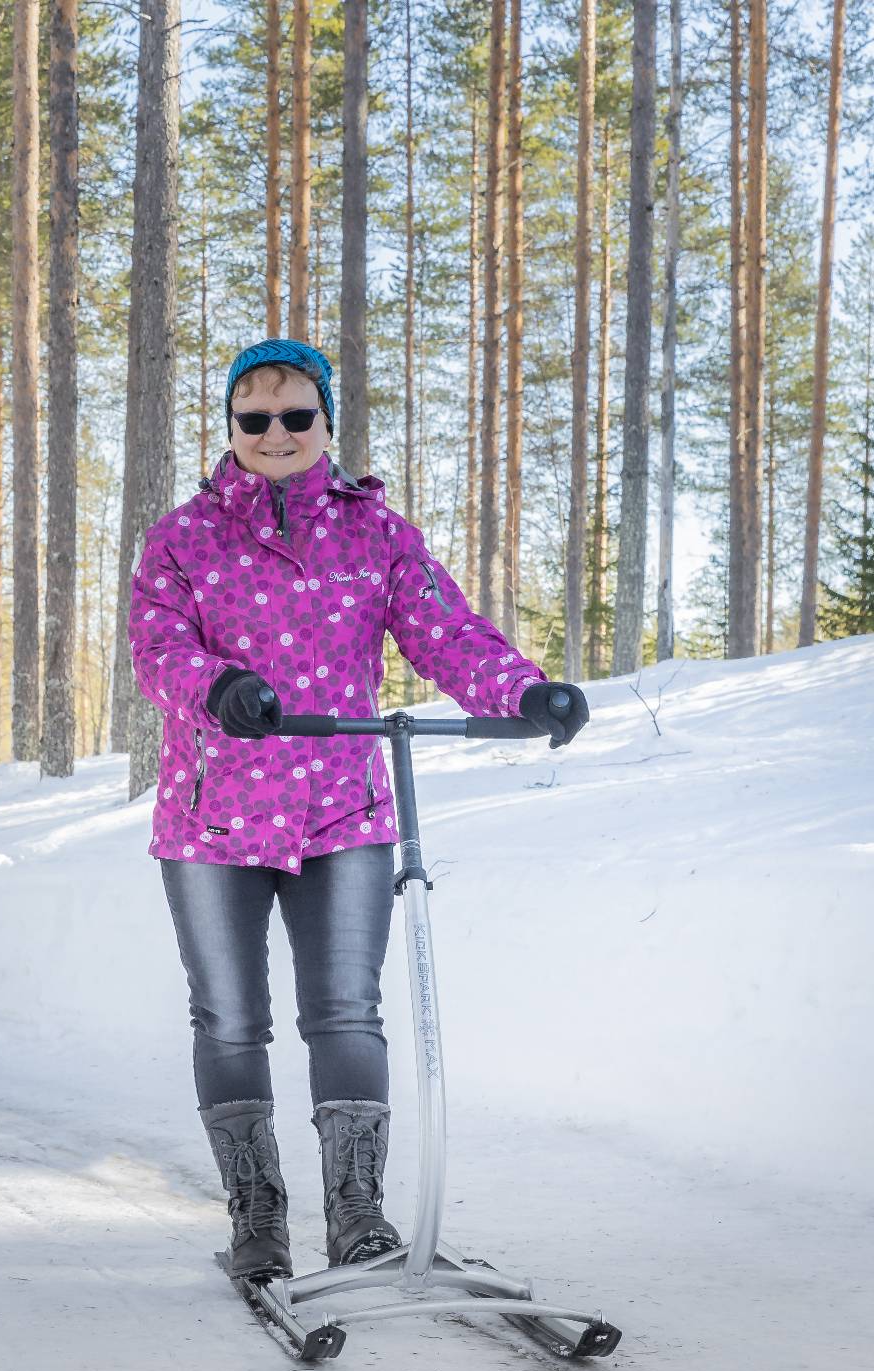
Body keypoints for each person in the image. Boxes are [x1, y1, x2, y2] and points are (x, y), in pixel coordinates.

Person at [128, 338, 588, 1280]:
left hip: (343, 808)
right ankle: (256, 1212)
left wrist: (526, 693)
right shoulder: (184, 535)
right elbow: (158, 647)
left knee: (346, 1013)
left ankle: (356, 1212)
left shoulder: (375, 533)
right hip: (216, 816)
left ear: (327, 422)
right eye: (254, 418)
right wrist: (219, 688)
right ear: (232, 430)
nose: (277, 433)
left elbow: (447, 632)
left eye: (297, 414)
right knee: (229, 1019)